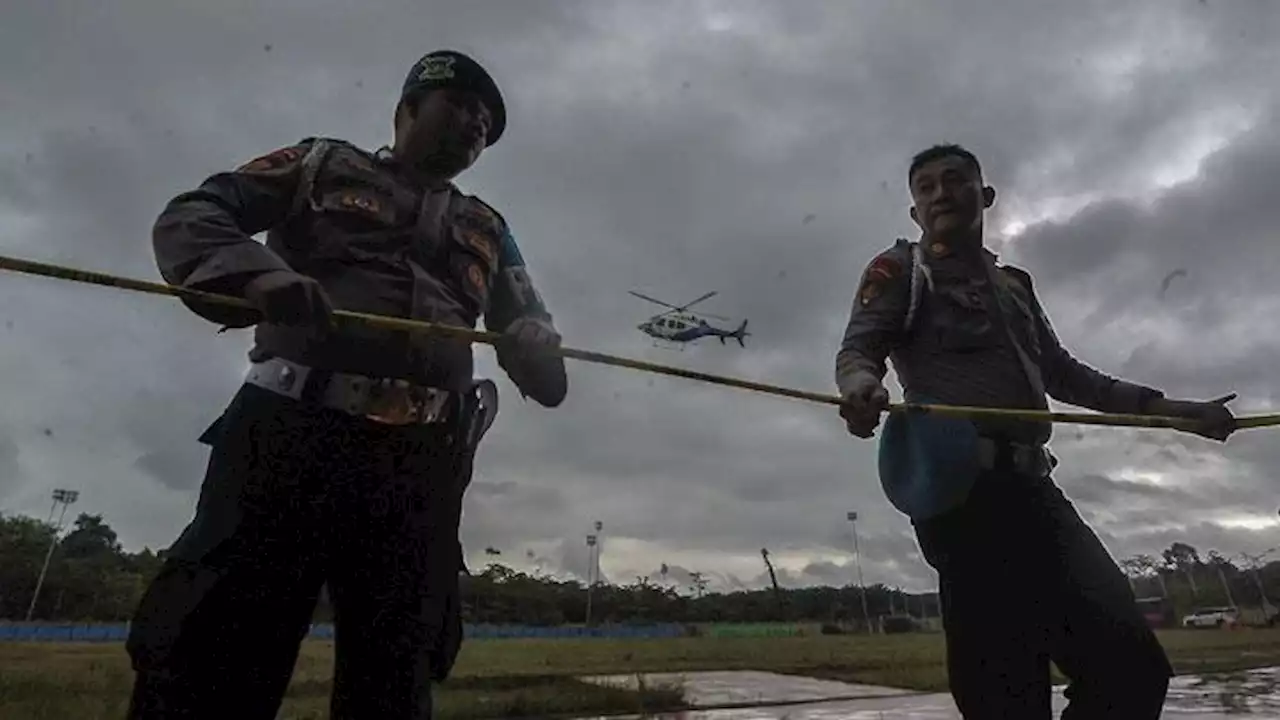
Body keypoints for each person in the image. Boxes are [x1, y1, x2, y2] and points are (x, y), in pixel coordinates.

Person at [125, 49, 567, 719]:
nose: (475, 126)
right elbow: (196, 213)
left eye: (485, 123)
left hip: (422, 467)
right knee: (216, 659)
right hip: (291, 437)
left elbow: (534, 334)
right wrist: (256, 274)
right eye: (461, 107)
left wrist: (536, 339)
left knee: (396, 673)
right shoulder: (318, 164)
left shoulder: (490, 229)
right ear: (407, 109)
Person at [834, 143, 1236, 719]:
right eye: (925, 188)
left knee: (1132, 669)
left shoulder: (1014, 285)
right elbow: (859, 349)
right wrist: (860, 388)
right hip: (962, 501)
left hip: (1036, 494)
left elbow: (1067, 375)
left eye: (955, 180)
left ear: (985, 196)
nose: (941, 193)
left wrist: (1171, 409)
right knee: (1006, 695)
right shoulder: (901, 269)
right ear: (914, 212)